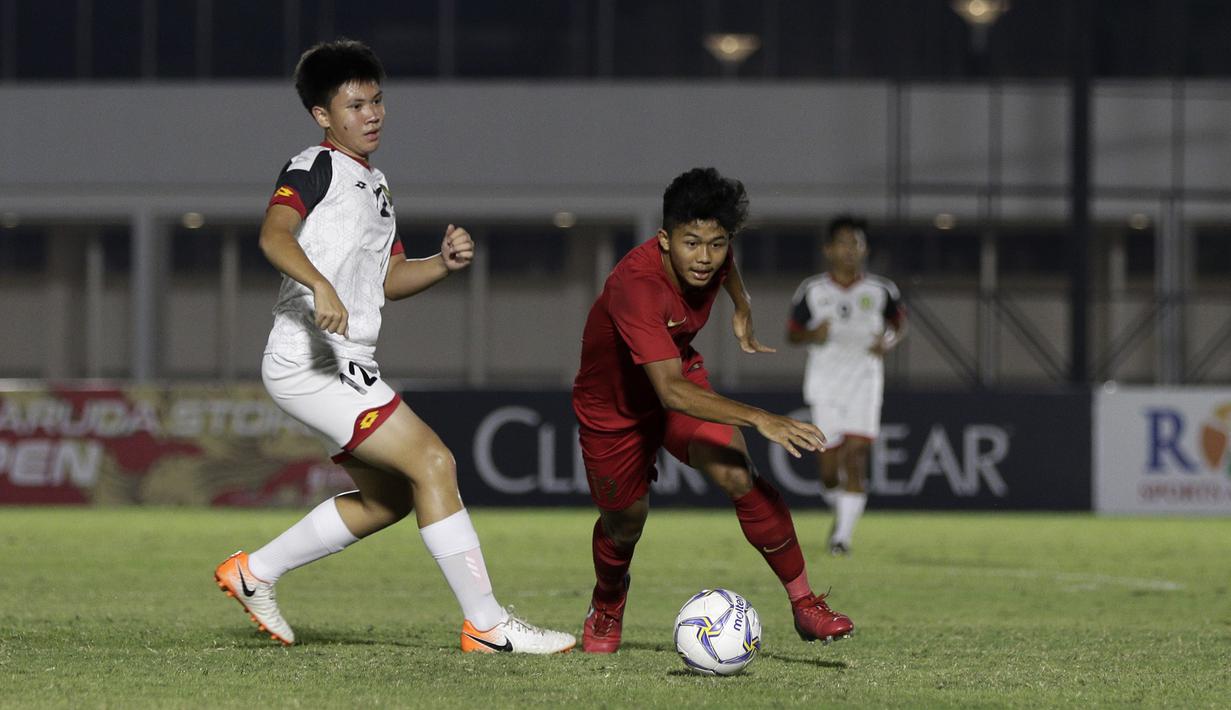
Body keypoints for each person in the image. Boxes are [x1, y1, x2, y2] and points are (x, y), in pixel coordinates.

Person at [213, 39, 574, 654]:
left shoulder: (374, 183)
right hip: (311, 356)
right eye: (355, 104)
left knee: (388, 499)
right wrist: (320, 284)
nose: (372, 113)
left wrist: (441, 263)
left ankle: (255, 572)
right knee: (435, 463)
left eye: (377, 100)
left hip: (342, 358)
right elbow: (274, 236)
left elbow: (386, 280)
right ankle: (486, 626)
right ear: (323, 116)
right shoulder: (314, 166)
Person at [572, 167, 855, 654]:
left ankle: (806, 604)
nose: (704, 258)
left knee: (737, 474)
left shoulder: (714, 258)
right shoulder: (635, 286)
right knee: (625, 524)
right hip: (617, 408)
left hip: (678, 375)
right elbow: (670, 393)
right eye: (691, 243)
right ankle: (608, 600)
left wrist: (741, 306)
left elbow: (726, 271)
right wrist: (762, 417)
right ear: (664, 240)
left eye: (717, 243)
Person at [787, 216, 907, 556]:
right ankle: (839, 507)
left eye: (855, 243)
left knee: (855, 458)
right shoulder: (812, 291)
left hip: (865, 381)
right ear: (828, 249)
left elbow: (899, 324)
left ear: (864, 248)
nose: (849, 250)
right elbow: (792, 333)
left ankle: (842, 537)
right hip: (825, 384)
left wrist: (888, 340)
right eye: (842, 243)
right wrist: (812, 334)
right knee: (828, 468)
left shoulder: (881, 290)